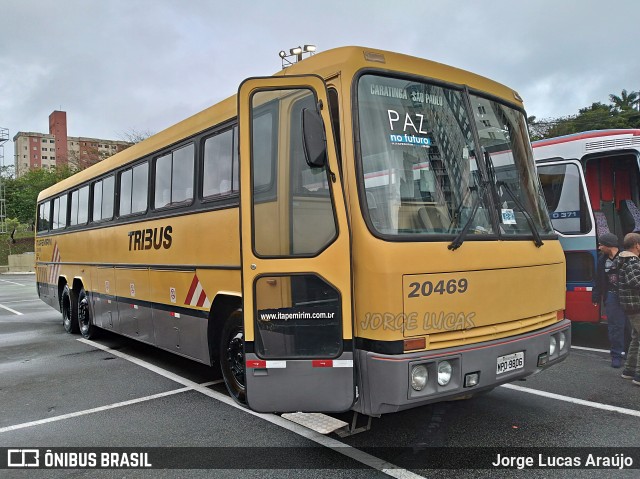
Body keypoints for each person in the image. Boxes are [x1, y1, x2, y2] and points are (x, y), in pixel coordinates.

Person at [592, 232, 627, 368]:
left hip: (628, 296)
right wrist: (596, 295)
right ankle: (616, 355)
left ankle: (630, 354)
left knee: (630, 327)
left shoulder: (626, 257)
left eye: (601, 244)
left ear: (609, 245)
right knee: (615, 327)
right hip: (612, 296)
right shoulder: (602, 260)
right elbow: (598, 279)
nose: (599, 247)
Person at [616, 232, 640, 385]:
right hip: (637, 306)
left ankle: (629, 370)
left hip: (630, 306)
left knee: (636, 338)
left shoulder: (624, 260)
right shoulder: (633, 261)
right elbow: (635, 281)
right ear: (637, 245)